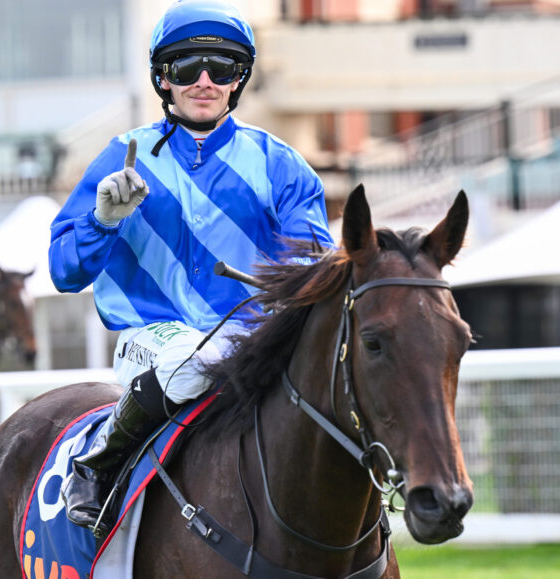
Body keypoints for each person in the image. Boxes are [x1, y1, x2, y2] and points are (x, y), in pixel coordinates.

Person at [48, 0, 334, 534]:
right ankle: (98, 462)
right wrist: (101, 220)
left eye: (221, 68)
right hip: (151, 337)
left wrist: (291, 279)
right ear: (163, 78)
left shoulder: (280, 164)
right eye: (186, 68)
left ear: (238, 79)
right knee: (194, 356)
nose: (204, 81)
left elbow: (315, 259)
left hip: (254, 337)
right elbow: (65, 272)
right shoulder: (121, 155)